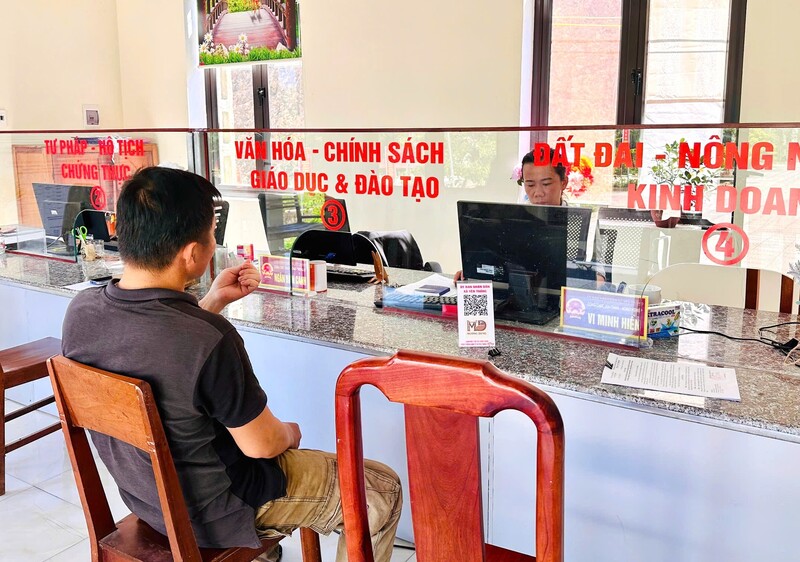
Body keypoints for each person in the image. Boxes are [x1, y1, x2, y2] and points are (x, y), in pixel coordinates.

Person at [61, 167, 401, 562]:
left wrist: (213, 302)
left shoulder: (81, 312)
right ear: (192, 254)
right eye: (211, 235)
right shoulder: (209, 338)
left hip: (146, 499)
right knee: (381, 490)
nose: (213, 243)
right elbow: (262, 445)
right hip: (219, 511)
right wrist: (290, 433)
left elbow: (160, 351)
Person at [454, 147, 607, 284]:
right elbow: (498, 264)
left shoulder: (583, 221)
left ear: (564, 182)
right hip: (522, 296)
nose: (538, 193)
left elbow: (599, 277)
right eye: (530, 184)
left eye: (546, 184)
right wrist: (473, 272)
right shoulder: (515, 218)